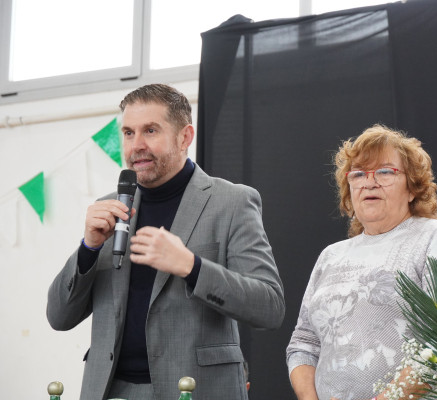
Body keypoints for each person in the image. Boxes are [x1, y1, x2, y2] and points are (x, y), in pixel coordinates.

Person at [47, 83, 285, 400]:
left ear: (185, 137)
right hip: (109, 390)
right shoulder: (110, 208)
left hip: (195, 389)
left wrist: (191, 266)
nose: (136, 145)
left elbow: (269, 307)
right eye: (128, 133)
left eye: (151, 131)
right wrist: (88, 249)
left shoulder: (232, 202)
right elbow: (58, 317)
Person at [286, 124, 437, 400]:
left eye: (385, 171)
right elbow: (303, 344)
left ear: (413, 187)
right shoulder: (330, 255)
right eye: (359, 174)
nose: (369, 182)